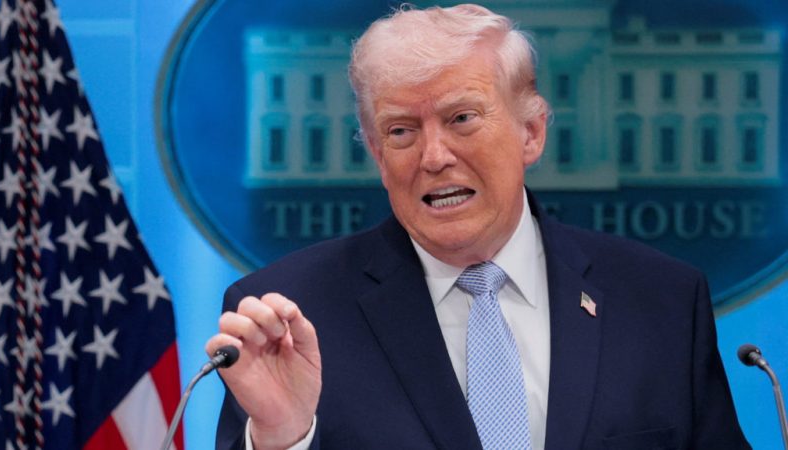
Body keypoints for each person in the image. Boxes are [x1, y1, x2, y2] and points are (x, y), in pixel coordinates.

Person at [205, 4, 750, 449]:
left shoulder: (663, 302)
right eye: (401, 131)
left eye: (462, 118)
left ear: (531, 133)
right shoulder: (288, 315)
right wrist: (282, 437)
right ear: (376, 154)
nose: (434, 156)